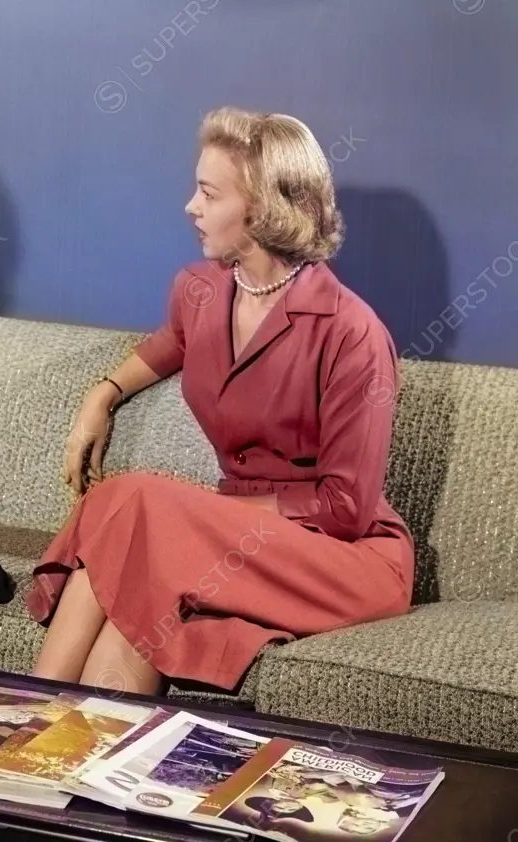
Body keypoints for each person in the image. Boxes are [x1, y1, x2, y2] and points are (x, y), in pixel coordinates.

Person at [25, 106, 415, 698]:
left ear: (261, 208)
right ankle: (48, 744)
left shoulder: (352, 332)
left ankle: (18, 716)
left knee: (138, 503)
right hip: (231, 539)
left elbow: (346, 507)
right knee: (143, 570)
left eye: (209, 193)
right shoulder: (202, 291)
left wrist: (202, 511)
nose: (191, 206)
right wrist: (100, 396)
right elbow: (167, 346)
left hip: (342, 558)